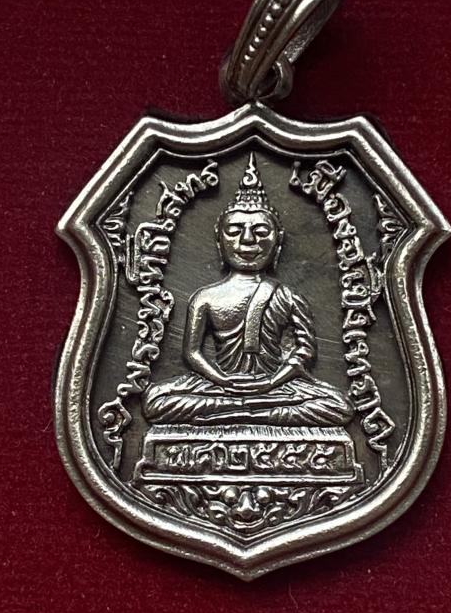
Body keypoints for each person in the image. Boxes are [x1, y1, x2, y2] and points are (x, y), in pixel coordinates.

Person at [142, 153, 354, 426]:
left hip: (275, 386)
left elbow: (305, 351)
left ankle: (241, 412)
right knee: (156, 401)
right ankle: (254, 411)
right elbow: (192, 353)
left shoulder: (287, 296)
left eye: (261, 232)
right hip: (219, 385)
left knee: (338, 406)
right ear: (219, 241)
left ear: (277, 243)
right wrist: (222, 380)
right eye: (234, 231)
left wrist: (271, 382)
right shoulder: (205, 298)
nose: (247, 240)